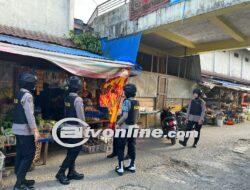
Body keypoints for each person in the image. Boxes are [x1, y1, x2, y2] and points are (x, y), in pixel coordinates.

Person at [12, 73, 40, 190]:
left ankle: (21, 179)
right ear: (30, 84)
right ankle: (18, 185)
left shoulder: (18, 93)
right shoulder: (28, 96)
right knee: (29, 155)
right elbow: (30, 114)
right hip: (25, 130)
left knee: (20, 154)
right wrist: (35, 130)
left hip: (16, 129)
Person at [56, 76, 85, 185]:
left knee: (70, 151)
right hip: (75, 129)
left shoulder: (67, 97)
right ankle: (61, 172)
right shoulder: (78, 99)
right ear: (78, 87)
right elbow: (81, 117)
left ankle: (71, 172)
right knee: (73, 152)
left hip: (67, 127)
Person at [115, 84, 140, 176]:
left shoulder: (126, 102)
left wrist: (117, 124)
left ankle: (120, 168)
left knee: (121, 147)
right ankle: (131, 165)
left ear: (127, 92)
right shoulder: (137, 102)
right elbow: (138, 116)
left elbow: (125, 116)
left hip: (124, 128)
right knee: (132, 146)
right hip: (134, 128)